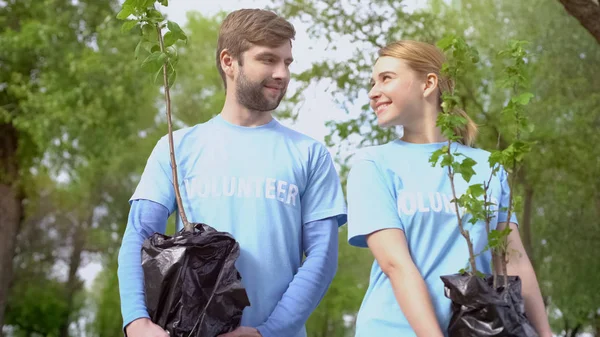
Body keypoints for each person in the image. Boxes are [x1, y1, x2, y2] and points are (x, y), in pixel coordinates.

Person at [117, 9, 347, 337]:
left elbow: (322, 256)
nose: (281, 73)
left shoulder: (309, 154)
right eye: (268, 59)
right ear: (229, 61)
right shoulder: (177, 146)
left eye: (287, 62)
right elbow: (139, 232)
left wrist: (267, 331)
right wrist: (136, 321)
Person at [346, 40, 552, 337]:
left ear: (428, 83)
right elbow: (395, 264)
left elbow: (513, 258)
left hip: (478, 330)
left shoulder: (488, 166)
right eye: (372, 82)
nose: (372, 92)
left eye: (386, 78)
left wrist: (545, 333)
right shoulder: (374, 164)